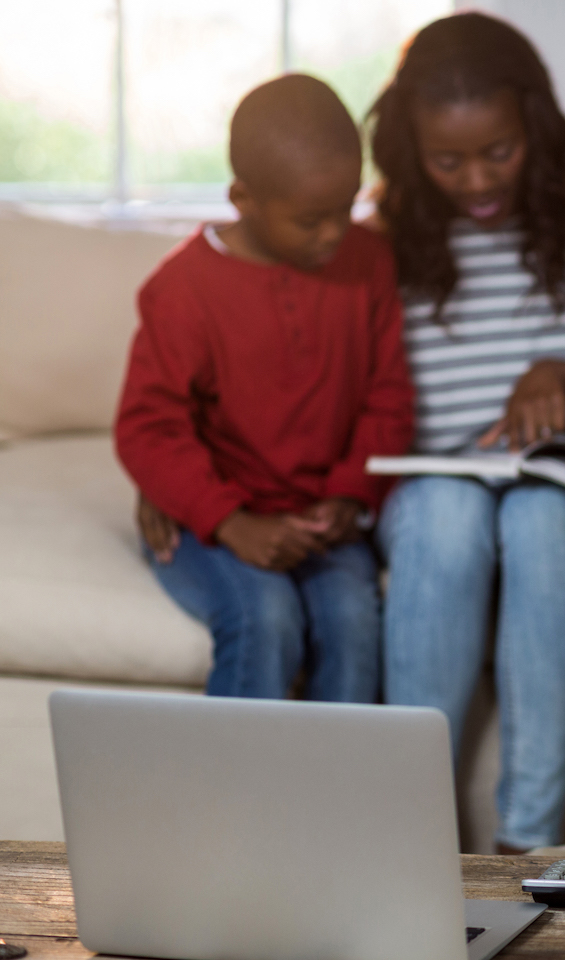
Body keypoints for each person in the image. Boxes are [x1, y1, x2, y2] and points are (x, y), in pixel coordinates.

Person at [368, 12, 565, 853]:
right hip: (434, 485)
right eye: (446, 159)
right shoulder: (381, 243)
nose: (475, 179)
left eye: (499, 150)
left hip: (560, 486)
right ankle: (409, 836)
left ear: (535, 124)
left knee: (538, 519)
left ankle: (525, 845)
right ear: (408, 148)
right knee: (445, 516)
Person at [115, 74, 414, 703]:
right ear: (242, 198)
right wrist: (229, 522)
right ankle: (234, 804)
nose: (334, 234)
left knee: (353, 622)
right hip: (216, 521)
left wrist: (349, 498)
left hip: (324, 518)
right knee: (265, 617)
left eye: (347, 208)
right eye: (311, 220)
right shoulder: (182, 290)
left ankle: (339, 799)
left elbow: (388, 399)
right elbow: (148, 427)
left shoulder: (369, 262)